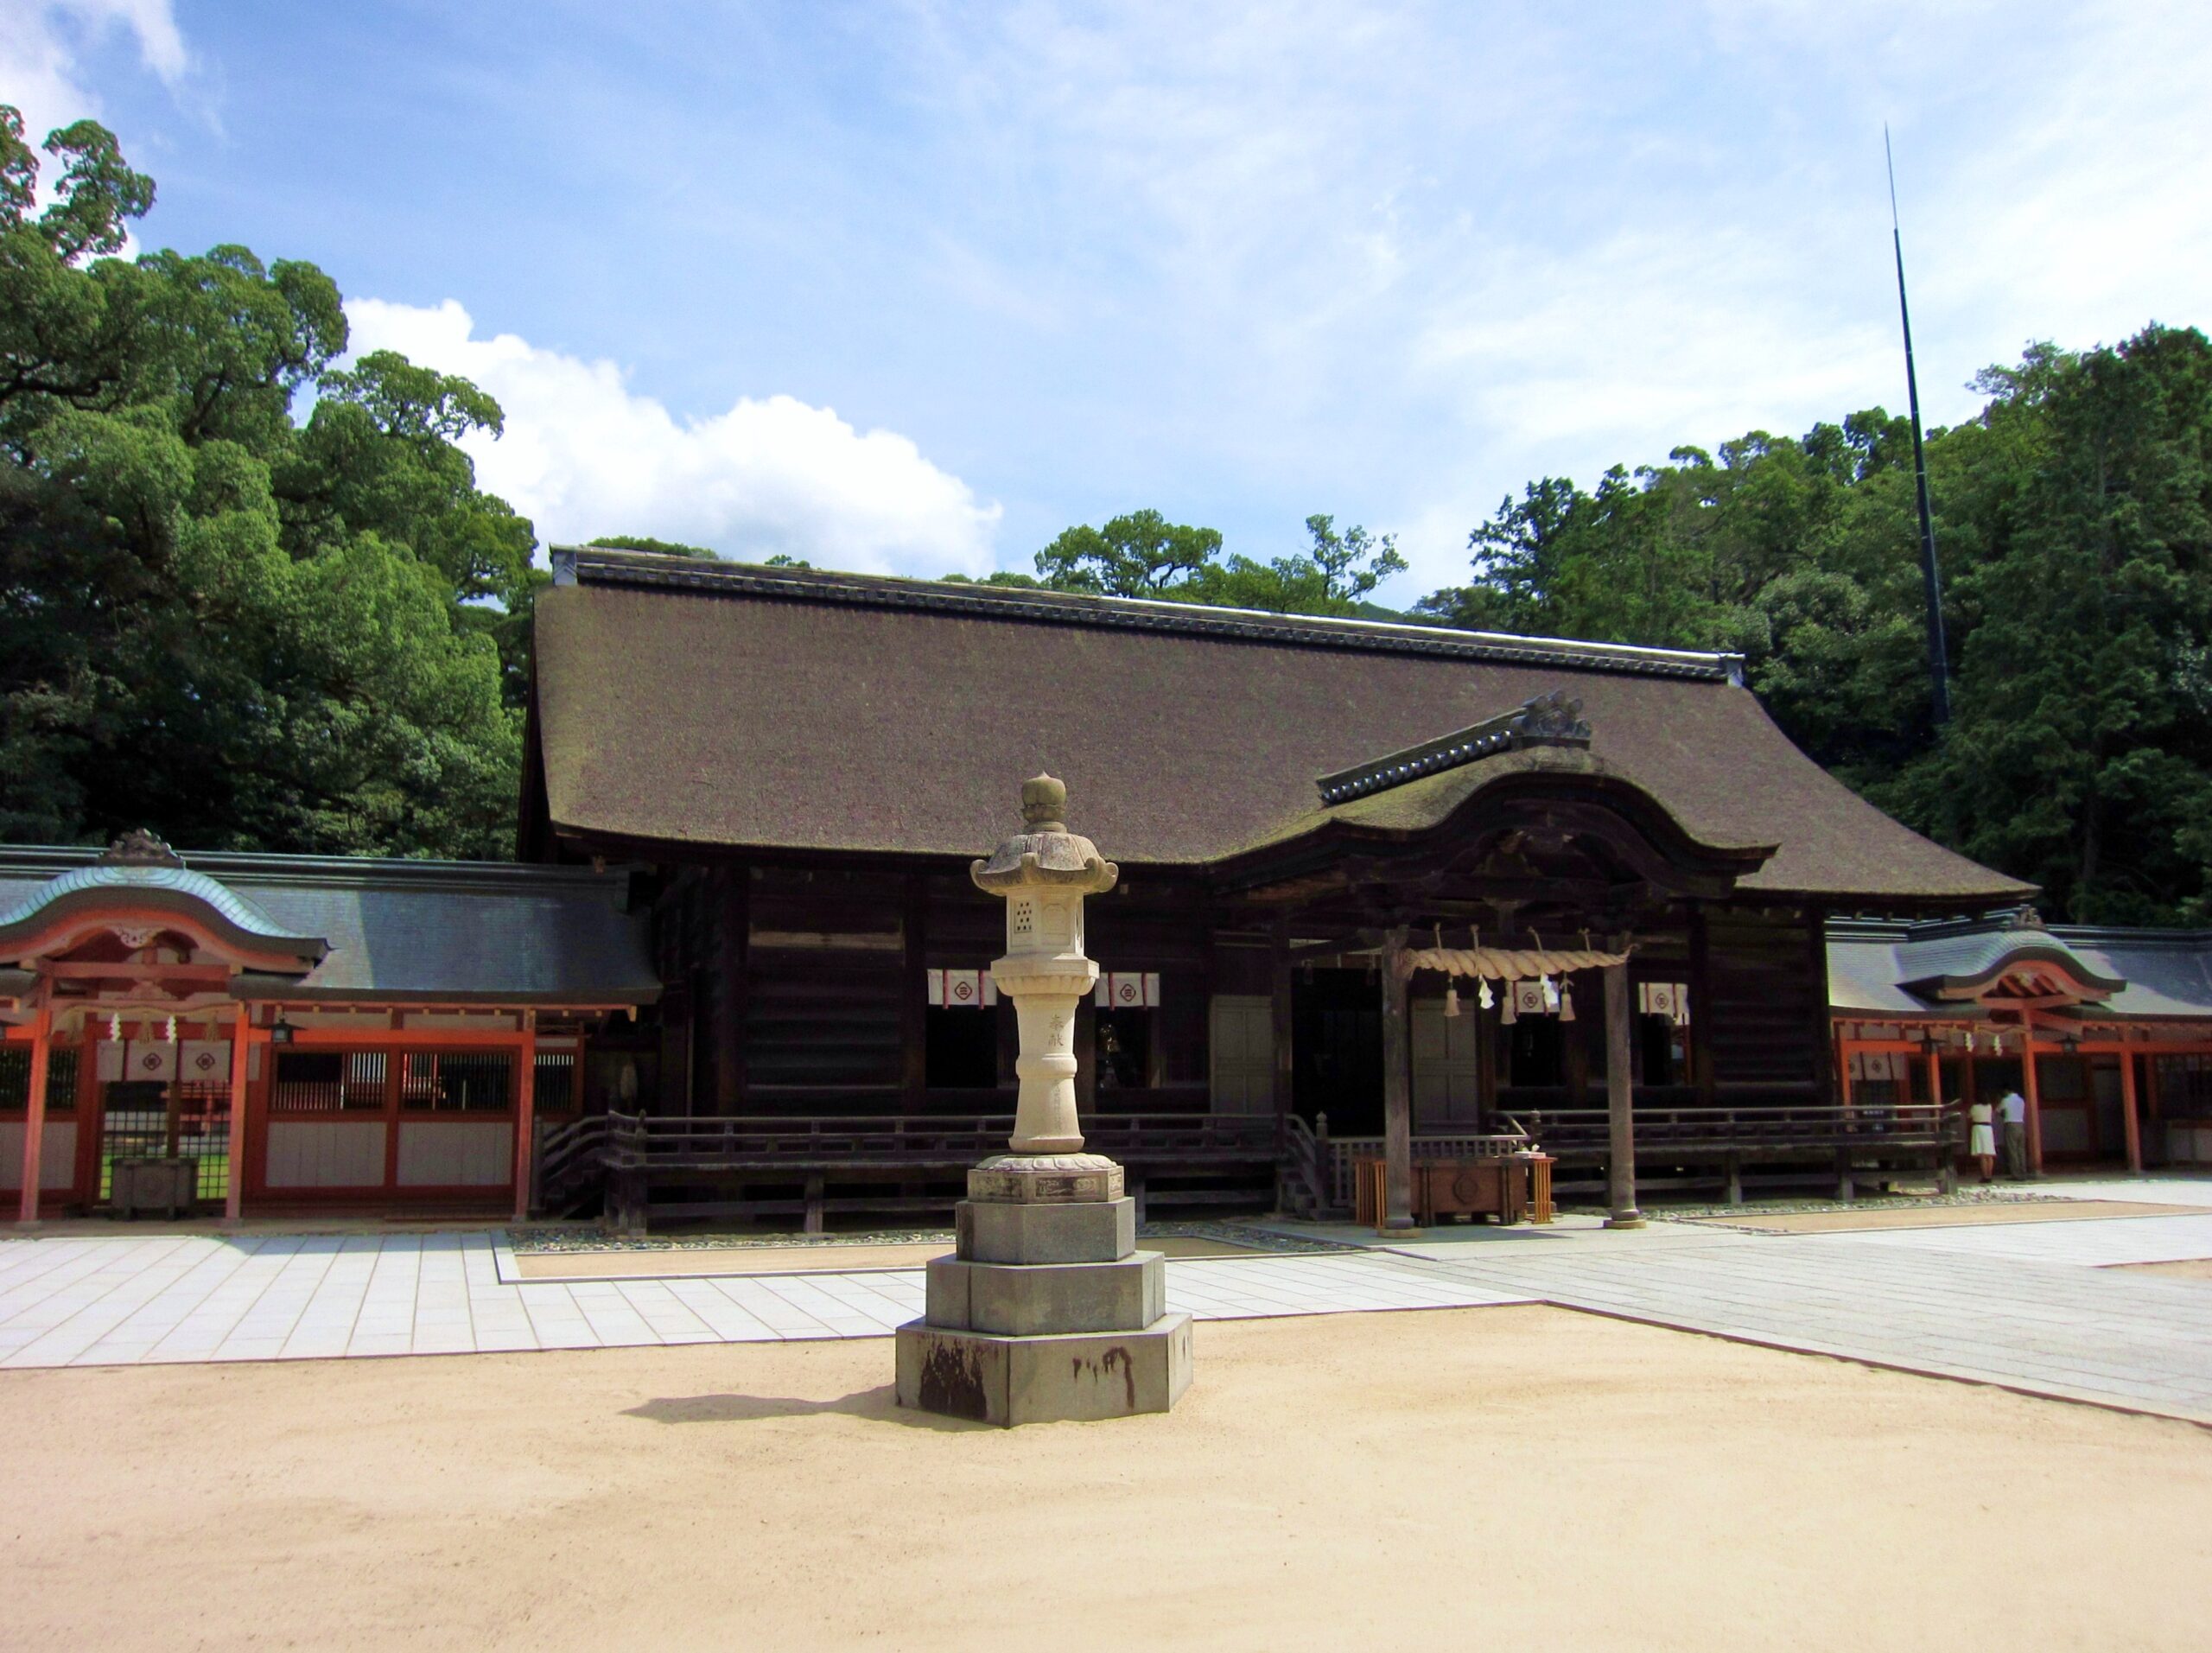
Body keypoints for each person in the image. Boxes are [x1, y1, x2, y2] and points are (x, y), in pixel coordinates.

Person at [1999, 1088, 2030, 1179]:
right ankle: (2023, 1172)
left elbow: (2000, 1112)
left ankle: (2015, 1174)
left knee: (2012, 1150)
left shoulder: (2005, 1100)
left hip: (2010, 1124)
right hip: (2020, 1124)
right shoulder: (2021, 1100)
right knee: (2021, 1150)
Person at [1967, 1097, 1997, 1185]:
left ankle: (1985, 1176)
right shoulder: (1989, 1107)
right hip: (1988, 1128)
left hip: (1978, 1128)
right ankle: (1990, 1175)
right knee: (1989, 1154)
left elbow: (1969, 1116)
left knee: (1983, 1155)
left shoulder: (1975, 1107)